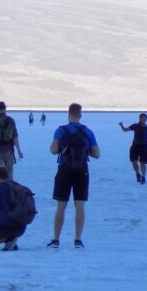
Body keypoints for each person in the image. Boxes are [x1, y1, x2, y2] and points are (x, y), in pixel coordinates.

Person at [47, 103, 100, 249]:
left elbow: (52, 150)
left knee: (61, 207)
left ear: (68, 114)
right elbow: (97, 154)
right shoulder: (87, 132)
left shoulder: (61, 131)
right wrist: (85, 151)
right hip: (82, 171)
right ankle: (77, 240)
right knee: (80, 206)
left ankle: (56, 239)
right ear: (80, 115)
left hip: (64, 170)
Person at [0, 101, 23, 180]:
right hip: (9, 151)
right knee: (9, 174)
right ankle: (9, 189)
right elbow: (15, 137)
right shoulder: (11, 121)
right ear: (5, 109)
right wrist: (19, 150)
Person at [118, 113, 147, 183]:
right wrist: (121, 125)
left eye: (145, 118)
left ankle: (143, 177)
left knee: (142, 162)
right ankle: (138, 173)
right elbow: (125, 130)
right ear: (140, 118)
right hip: (135, 145)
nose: (144, 119)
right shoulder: (135, 126)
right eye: (142, 118)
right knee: (134, 161)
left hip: (144, 146)